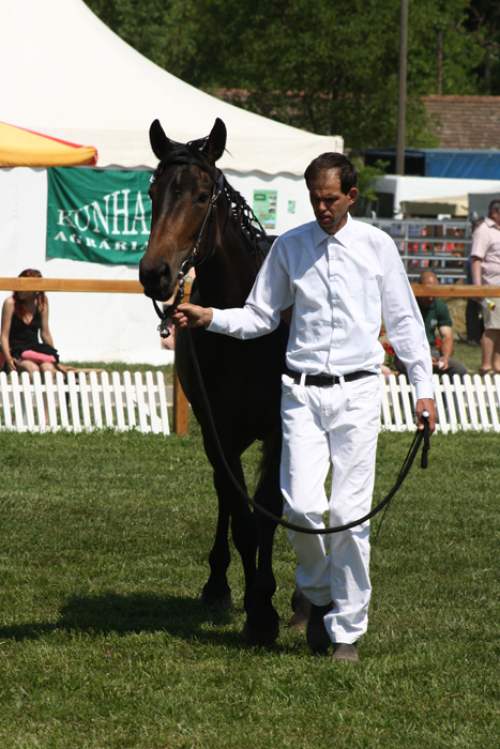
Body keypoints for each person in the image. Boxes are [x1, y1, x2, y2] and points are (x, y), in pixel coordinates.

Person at [173, 153, 436, 663]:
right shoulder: (290, 247)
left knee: (349, 514)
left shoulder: (377, 247)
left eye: (330, 198)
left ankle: (346, 630)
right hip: (300, 393)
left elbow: (404, 322)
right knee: (301, 508)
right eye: (315, 198)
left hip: (358, 392)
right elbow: (260, 316)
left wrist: (422, 388)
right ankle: (317, 593)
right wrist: (211, 318)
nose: (322, 207)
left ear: (351, 196)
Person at [394, 271, 467, 378]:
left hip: (431, 352)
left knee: (459, 370)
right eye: (427, 292)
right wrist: (423, 357)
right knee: (412, 367)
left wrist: (445, 358)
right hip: (408, 354)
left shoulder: (439, 305)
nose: (430, 298)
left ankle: (444, 389)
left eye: (434, 291)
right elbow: (403, 339)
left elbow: (447, 336)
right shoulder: (407, 306)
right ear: (419, 287)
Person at [0, 269, 59, 375]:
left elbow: (45, 333)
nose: (19, 289)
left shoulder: (42, 302)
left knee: (48, 368)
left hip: (33, 348)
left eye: (24, 286)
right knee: (32, 369)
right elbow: (4, 336)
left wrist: (54, 356)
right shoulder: (10, 303)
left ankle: (56, 385)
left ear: (36, 289)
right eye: (18, 284)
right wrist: (9, 359)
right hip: (16, 350)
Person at [470, 199, 500, 374]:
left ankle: (497, 365)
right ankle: (486, 365)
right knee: (492, 326)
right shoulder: (484, 230)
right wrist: (478, 288)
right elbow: (476, 259)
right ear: (495, 213)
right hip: (491, 288)